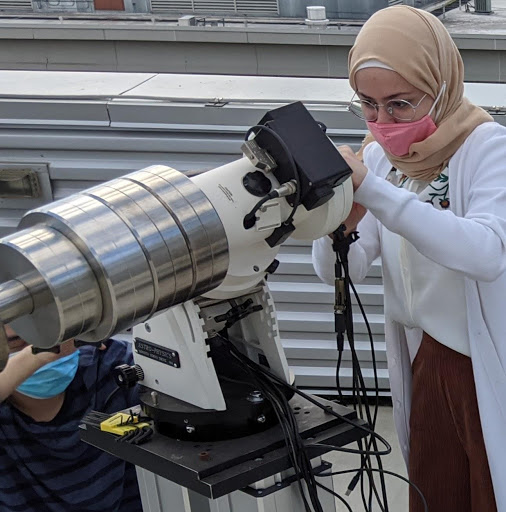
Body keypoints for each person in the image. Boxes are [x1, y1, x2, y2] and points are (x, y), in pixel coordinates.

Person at [312, 5, 506, 512]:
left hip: (478, 364)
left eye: (399, 104)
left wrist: (375, 193)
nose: (382, 122)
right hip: (424, 362)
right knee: (436, 492)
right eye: (368, 106)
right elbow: (343, 270)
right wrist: (333, 220)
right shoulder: (381, 161)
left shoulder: (487, 149)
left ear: (440, 87)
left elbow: (485, 253)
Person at [0, 324, 143, 511]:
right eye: (17, 341)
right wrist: (33, 357)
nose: (48, 353)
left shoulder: (113, 368)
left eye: (49, 335)